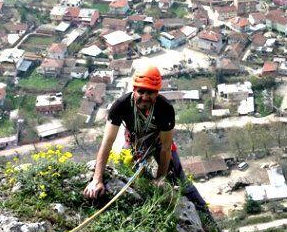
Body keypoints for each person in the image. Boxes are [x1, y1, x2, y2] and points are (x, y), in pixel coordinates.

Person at [83, 65, 211, 216]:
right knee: (124, 170)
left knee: (179, 177)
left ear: (157, 93)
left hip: (158, 143)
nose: (144, 97)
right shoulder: (121, 105)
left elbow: (165, 147)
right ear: (134, 90)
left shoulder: (165, 108)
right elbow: (107, 142)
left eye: (150, 92)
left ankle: (204, 213)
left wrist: (160, 178)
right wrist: (97, 179)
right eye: (141, 91)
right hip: (134, 142)